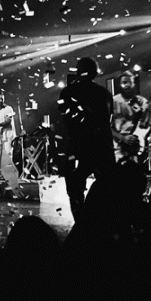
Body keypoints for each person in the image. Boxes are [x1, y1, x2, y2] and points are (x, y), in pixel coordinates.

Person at [58, 57, 116, 219]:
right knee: (108, 189)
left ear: (78, 71)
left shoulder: (68, 92)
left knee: (76, 193)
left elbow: (65, 119)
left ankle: (81, 227)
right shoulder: (105, 93)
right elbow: (107, 120)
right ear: (95, 72)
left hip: (78, 146)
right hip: (102, 147)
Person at [111, 71, 149, 165]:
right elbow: (105, 126)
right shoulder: (113, 101)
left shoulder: (141, 101)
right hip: (118, 148)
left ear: (134, 84)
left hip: (136, 147)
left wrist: (149, 113)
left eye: (130, 82)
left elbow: (145, 125)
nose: (127, 85)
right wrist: (122, 138)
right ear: (120, 85)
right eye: (124, 82)